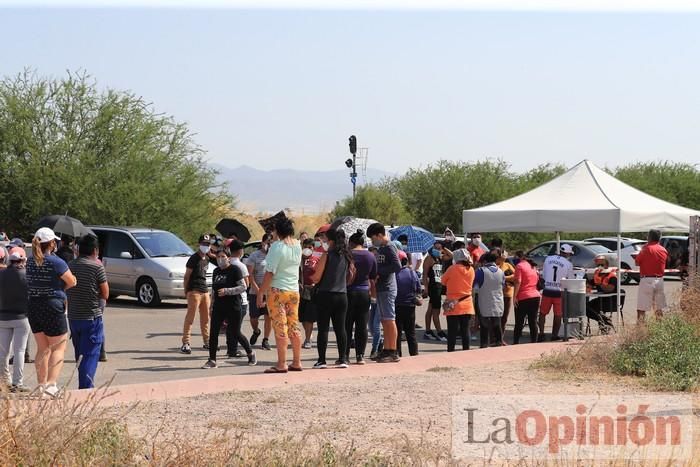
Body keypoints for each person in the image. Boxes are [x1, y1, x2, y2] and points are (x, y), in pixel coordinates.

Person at [26, 227, 77, 397]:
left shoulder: (30, 261)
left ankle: (41, 386)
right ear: (52, 243)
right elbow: (71, 281)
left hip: (34, 305)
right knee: (58, 347)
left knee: (42, 348)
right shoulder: (56, 262)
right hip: (52, 304)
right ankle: (51, 385)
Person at [257, 218, 303, 373]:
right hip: (294, 291)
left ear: (279, 231)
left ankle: (282, 363)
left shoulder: (277, 247)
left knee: (280, 327)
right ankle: (296, 361)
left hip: (277, 290)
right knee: (294, 325)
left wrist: (261, 292)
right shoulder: (297, 245)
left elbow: (270, 272)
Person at [202, 244, 256, 368]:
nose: (220, 259)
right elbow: (214, 291)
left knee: (235, 332)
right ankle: (212, 359)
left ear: (228, 257)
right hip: (219, 307)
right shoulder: (216, 271)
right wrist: (211, 305)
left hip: (233, 306)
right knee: (214, 332)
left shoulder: (235, 270)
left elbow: (243, 287)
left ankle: (250, 353)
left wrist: (227, 291)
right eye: (218, 256)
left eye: (223, 256)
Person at [66, 235, 109, 389]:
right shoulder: (96, 267)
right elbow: (105, 293)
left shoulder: (70, 265)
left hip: (74, 317)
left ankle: (83, 386)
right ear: (95, 250)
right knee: (90, 355)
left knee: (80, 355)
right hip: (91, 317)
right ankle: (86, 390)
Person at [311, 228, 352, 368]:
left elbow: (316, 277)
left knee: (323, 328)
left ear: (331, 240)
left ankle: (322, 360)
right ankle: (343, 359)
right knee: (341, 328)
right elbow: (351, 275)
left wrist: (312, 277)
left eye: (327, 240)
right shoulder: (347, 255)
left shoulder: (327, 255)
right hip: (342, 294)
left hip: (325, 294)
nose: (325, 242)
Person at [366, 223, 402, 363]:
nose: (372, 240)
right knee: (384, 320)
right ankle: (387, 349)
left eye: (373, 237)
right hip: (381, 288)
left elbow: (397, 266)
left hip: (387, 288)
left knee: (389, 319)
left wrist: (380, 272)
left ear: (380, 235)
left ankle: (393, 351)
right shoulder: (382, 248)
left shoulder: (389, 247)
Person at [0, 249, 31, 392]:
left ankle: (3, 380)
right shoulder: (27, 276)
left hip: (3, 317)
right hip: (22, 317)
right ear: (23, 260)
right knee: (19, 350)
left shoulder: (2, 274)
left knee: (3, 352)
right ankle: (17, 383)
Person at [345, 230, 376, 364]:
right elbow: (373, 276)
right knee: (362, 326)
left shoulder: (348, 255)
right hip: (364, 292)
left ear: (351, 243)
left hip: (348, 292)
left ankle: (344, 355)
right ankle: (360, 356)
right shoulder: (370, 256)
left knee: (346, 325)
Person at [181, 234, 213, 354]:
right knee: (190, 317)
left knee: (205, 319)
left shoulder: (207, 258)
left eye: (208, 244)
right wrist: (187, 291)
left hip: (204, 290)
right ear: (199, 244)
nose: (206, 246)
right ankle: (186, 342)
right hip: (194, 290)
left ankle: (207, 341)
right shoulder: (193, 258)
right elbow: (187, 276)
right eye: (204, 244)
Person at [440, 249, 475, 351]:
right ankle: (466, 351)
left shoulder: (452, 269)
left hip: (452, 304)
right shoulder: (471, 269)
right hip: (467, 303)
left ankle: (451, 351)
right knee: (465, 330)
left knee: (452, 331)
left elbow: (443, 281)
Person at [538, 244, 574, 341]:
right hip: (559, 291)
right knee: (558, 314)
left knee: (542, 313)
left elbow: (544, 275)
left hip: (547, 289)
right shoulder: (568, 264)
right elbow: (571, 279)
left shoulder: (548, 258)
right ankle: (554, 335)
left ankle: (541, 333)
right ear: (567, 253)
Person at [245, 234, 273, 350]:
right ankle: (256, 331)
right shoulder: (254, 256)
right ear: (262, 243)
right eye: (267, 242)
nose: (269, 245)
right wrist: (258, 291)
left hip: (270, 291)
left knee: (268, 316)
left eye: (271, 243)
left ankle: (266, 339)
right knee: (253, 318)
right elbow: (250, 275)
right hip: (255, 291)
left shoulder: (274, 256)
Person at [634, 229, 668, 321]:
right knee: (658, 307)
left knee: (641, 308)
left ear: (649, 237)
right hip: (659, 280)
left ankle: (640, 331)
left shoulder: (646, 248)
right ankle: (660, 330)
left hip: (647, 280)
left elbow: (637, 262)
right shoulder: (663, 250)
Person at [226, 241, 252, 358]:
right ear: (240, 251)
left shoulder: (226, 263)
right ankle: (234, 349)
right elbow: (246, 283)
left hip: (228, 298)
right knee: (236, 327)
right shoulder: (241, 266)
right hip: (240, 300)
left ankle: (230, 348)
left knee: (230, 326)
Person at [474, 252, 505, 348]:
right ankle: (499, 342)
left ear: (485, 261)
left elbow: (475, 286)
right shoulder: (501, 271)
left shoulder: (480, 271)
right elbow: (503, 285)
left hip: (483, 299)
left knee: (484, 324)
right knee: (497, 322)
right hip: (497, 300)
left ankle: (484, 344)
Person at [421, 243, 450, 342]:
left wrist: (444, 248)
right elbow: (424, 275)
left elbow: (451, 256)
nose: (437, 250)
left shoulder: (440, 258)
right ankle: (439, 332)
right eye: (435, 248)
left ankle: (428, 331)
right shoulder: (429, 259)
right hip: (433, 287)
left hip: (439, 286)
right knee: (435, 311)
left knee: (430, 309)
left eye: (439, 248)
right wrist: (425, 288)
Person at [395, 250, 421, 357]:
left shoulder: (394, 274)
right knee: (411, 333)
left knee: (397, 333)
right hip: (410, 306)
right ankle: (414, 354)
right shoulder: (412, 272)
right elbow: (418, 289)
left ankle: (397, 354)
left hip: (397, 306)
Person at [512, 251, 540, 344]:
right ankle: (534, 342)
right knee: (533, 321)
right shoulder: (533, 266)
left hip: (523, 296)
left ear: (519, 257)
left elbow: (518, 282)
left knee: (519, 322)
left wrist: (514, 296)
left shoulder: (519, 266)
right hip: (535, 295)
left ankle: (516, 342)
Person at [586, 255, 617, 334]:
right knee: (585, 307)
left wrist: (600, 285)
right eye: (598, 265)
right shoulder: (598, 275)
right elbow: (589, 284)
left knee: (593, 308)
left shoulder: (612, 276)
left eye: (602, 265)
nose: (600, 267)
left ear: (607, 265)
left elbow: (610, 289)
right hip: (601, 299)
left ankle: (605, 322)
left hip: (611, 301)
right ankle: (604, 321)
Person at [299, 238, 319, 348]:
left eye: (310, 247)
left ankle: (307, 340)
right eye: (305, 247)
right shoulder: (298, 260)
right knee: (302, 317)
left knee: (309, 317)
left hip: (312, 291)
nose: (307, 249)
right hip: (300, 291)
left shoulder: (317, 259)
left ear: (313, 248)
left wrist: (316, 285)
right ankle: (309, 333)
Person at [495, 249, 515, 344]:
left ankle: (501, 338)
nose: (504, 256)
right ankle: (494, 338)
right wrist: (506, 278)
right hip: (497, 294)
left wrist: (505, 278)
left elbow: (515, 276)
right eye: (503, 254)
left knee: (504, 318)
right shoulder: (495, 266)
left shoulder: (508, 265)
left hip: (508, 294)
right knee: (496, 317)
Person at [367, 246, 383, 359]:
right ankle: (380, 342)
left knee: (376, 325)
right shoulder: (368, 267)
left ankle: (375, 349)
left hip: (380, 298)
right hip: (371, 299)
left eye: (375, 255)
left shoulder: (380, 268)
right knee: (370, 326)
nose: (373, 257)